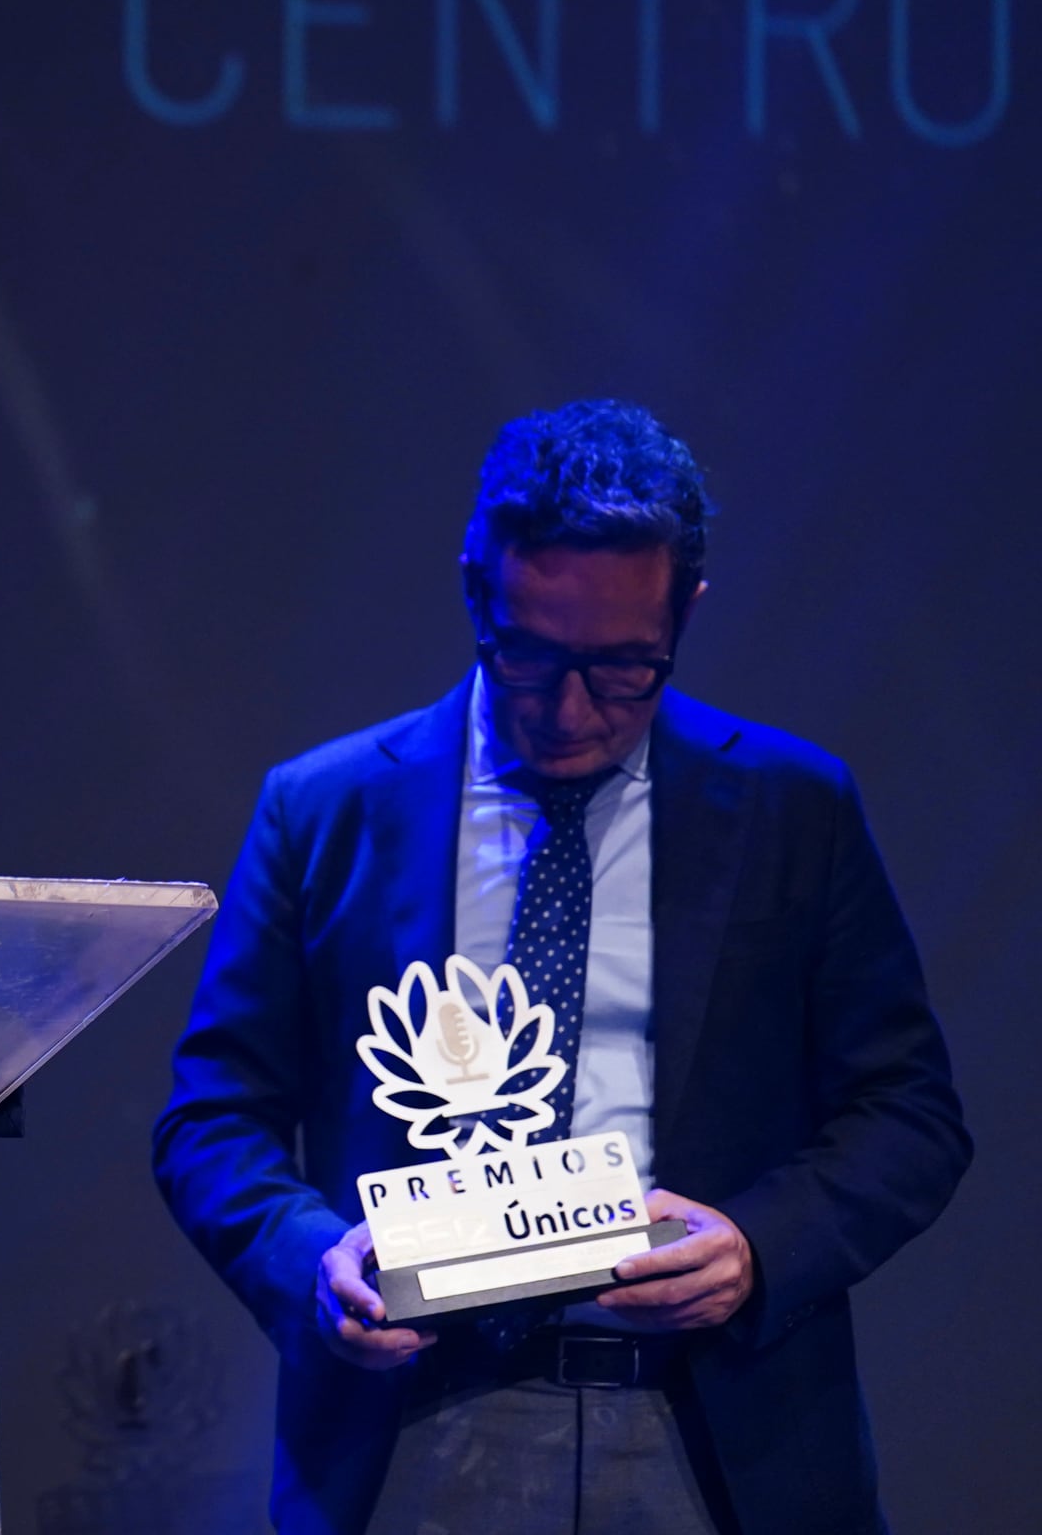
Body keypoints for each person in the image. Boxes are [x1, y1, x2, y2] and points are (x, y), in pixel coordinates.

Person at [153, 400, 969, 1535]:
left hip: (711, 1428)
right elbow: (212, 1117)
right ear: (475, 589)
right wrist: (312, 1263)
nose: (573, 710)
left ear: (685, 607)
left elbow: (911, 1111)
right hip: (410, 1429)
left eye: (626, 668)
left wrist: (758, 1247)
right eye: (531, 657)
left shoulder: (793, 807)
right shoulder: (329, 806)